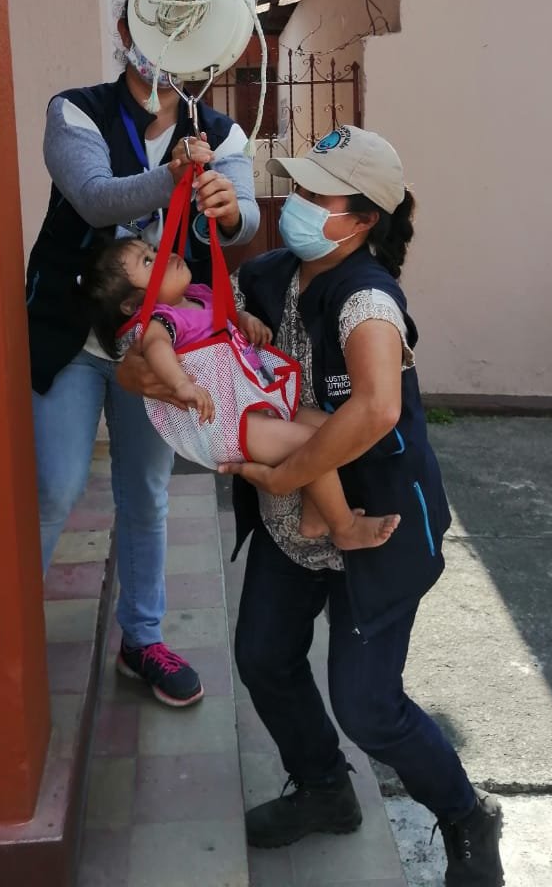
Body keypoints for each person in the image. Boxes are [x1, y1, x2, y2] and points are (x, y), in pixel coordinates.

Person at [119, 124, 505, 884]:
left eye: (316, 194)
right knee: (264, 658)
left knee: (368, 706)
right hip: (292, 528)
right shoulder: (266, 277)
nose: (296, 201)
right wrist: (141, 374)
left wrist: (289, 474)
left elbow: (377, 410)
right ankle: (325, 786)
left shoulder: (367, 301)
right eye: (296, 186)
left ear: (362, 220)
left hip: (376, 529)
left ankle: (467, 816)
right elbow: (167, 337)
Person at [24, 0, 259, 708]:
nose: (174, 41)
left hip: (160, 343)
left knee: (147, 492)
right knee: (55, 486)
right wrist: (174, 176)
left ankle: (143, 639)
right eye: (163, 20)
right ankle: (5, 630)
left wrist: (227, 209)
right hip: (73, 333)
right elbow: (96, 197)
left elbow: (246, 219)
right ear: (127, 27)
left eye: (194, 25)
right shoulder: (75, 111)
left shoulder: (220, 132)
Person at [77, 233, 400, 550]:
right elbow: (157, 348)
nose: (163, 255)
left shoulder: (198, 295)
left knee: (332, 431)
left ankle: (315, 516)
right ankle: (344, 527)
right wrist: (182, 385)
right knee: (312, 444)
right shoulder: (158, 321)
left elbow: (225, 316)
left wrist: (244, 319)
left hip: (251, 399)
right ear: (132, 304)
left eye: (153, 248)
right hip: (226, 422)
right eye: (148, 262)